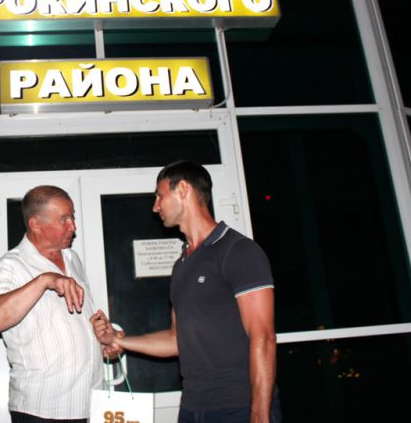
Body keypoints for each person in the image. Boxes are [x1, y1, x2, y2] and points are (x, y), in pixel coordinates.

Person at [91, 161, 280, 423]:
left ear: (183, 189)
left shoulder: (238, 250)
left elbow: (264, 337)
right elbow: (175, 340)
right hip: (192, 406)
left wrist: (259, 414)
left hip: (239, 406)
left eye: (160, 196)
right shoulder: (181, 265)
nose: (155, 206)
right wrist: (118, 341)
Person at [0, 185, 107, 423]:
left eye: (72, 217)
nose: (73, 226)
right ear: (35, 225)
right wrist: (45, 280)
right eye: (64, 219)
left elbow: (74, 318)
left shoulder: (72, 259)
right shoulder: (12, 265)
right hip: (43, 410)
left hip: (88, 403)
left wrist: (102, 340)